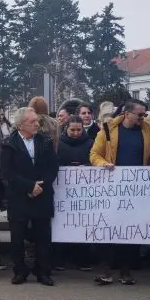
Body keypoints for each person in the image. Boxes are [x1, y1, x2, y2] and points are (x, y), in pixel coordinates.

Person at [90, 99, 150, 285]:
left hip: (136, 188)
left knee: (130, 229)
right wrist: (103, 164)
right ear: (127, 113)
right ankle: (105, 268)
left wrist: (149, 172)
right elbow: (94, 154)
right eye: (140, 114)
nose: (143, 117)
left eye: (145, 114)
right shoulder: (107, 129)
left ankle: (126, 269)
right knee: (106, 227)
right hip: (111, 186)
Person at [0, 107, 59, 285]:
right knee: (17, 236)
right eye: (32, 121)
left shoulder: (45, 141)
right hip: (19, 196)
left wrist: (41, 185)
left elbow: (53, 167)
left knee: (43, 235)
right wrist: (29, 186)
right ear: (20, 125)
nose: (37, 124)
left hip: (42, 194)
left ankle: (43, 271)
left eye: (37, 120)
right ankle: (20, 270)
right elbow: (7, 172)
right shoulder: (9, 143)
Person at [56, 115, 94, 271]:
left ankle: (82, 259)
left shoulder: (91, 143)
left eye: (79, 130)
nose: (76, 133)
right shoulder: (58, 144)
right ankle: (60, 258)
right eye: (73, 130)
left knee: (81, 224)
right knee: (62, 224)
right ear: (66, 128)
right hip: (63, 191)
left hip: (84, 192)